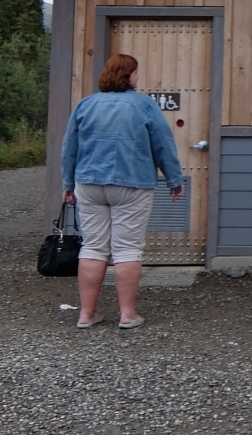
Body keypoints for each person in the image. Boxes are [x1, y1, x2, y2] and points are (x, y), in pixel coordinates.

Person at [61, 53, 184, 330]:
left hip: (89, 183)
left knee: (93, 246)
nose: (138, 77)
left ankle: (86, 315)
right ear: (129, 76)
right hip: (132, 183)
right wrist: (174, 180)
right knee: (127, 248)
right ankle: (127, 315)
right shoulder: (144, 105)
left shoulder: (86, 104)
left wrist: (67, 184)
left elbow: (69, 148)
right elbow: (163, 144)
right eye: (136, 73)